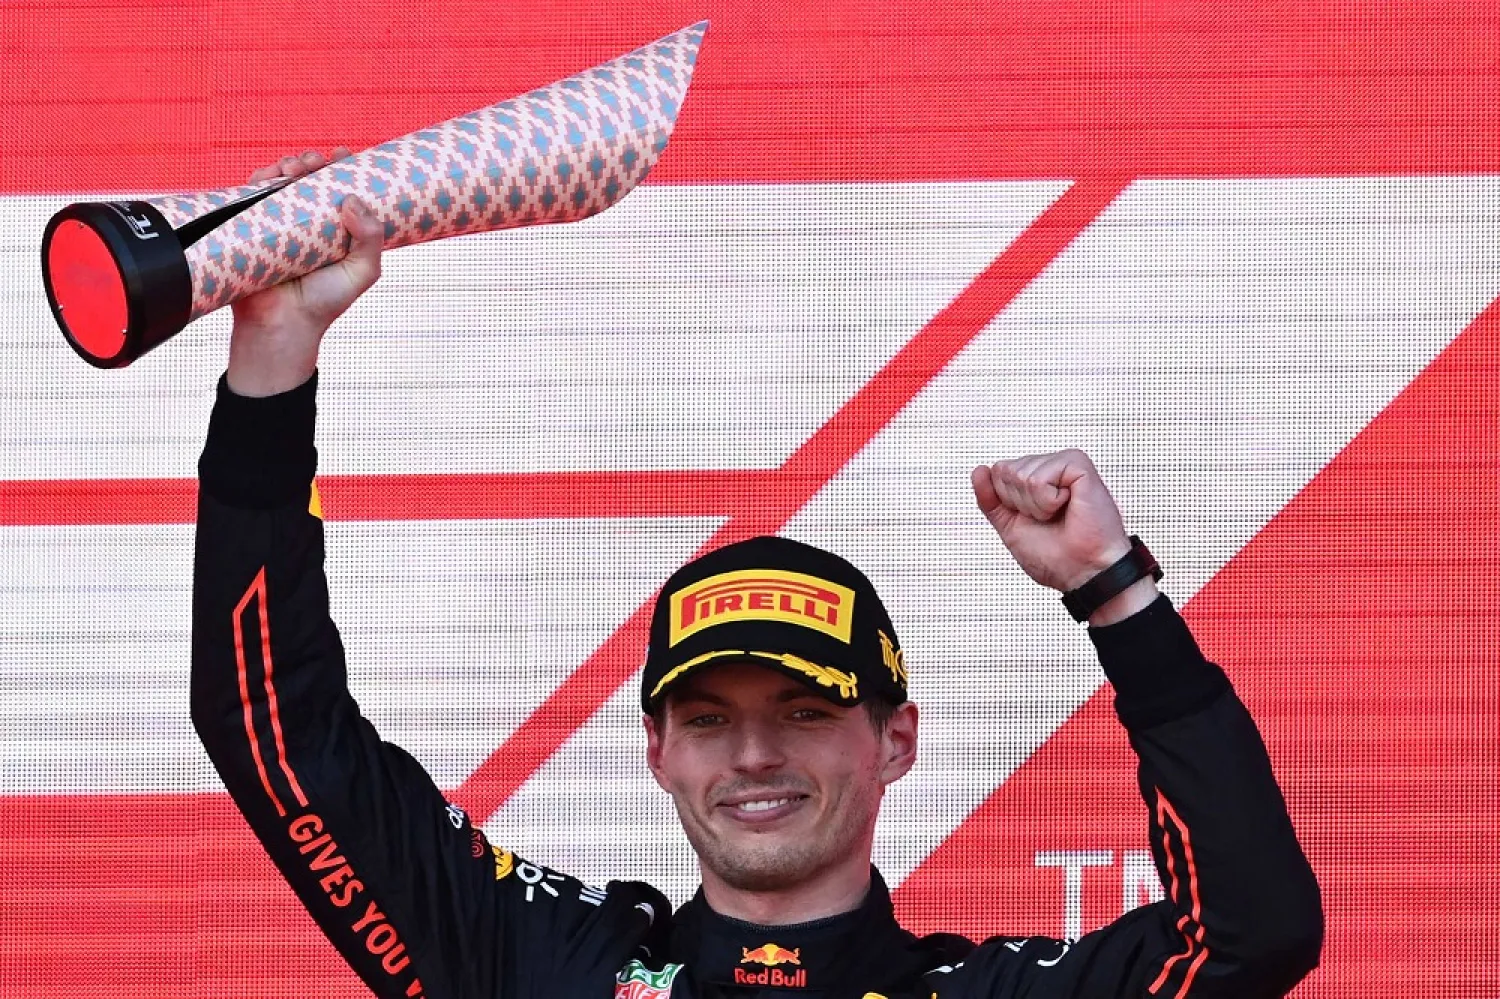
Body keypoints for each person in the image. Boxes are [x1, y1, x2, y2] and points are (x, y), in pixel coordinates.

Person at [191, 150, 1323, 999]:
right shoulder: (540, 961)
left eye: (802, 708)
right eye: (707, 716)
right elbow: (273, 729)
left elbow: (1253, 933)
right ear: (656, 750)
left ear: (897, 741)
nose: (753, 755)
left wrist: (1116, 595)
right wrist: (273, 364)